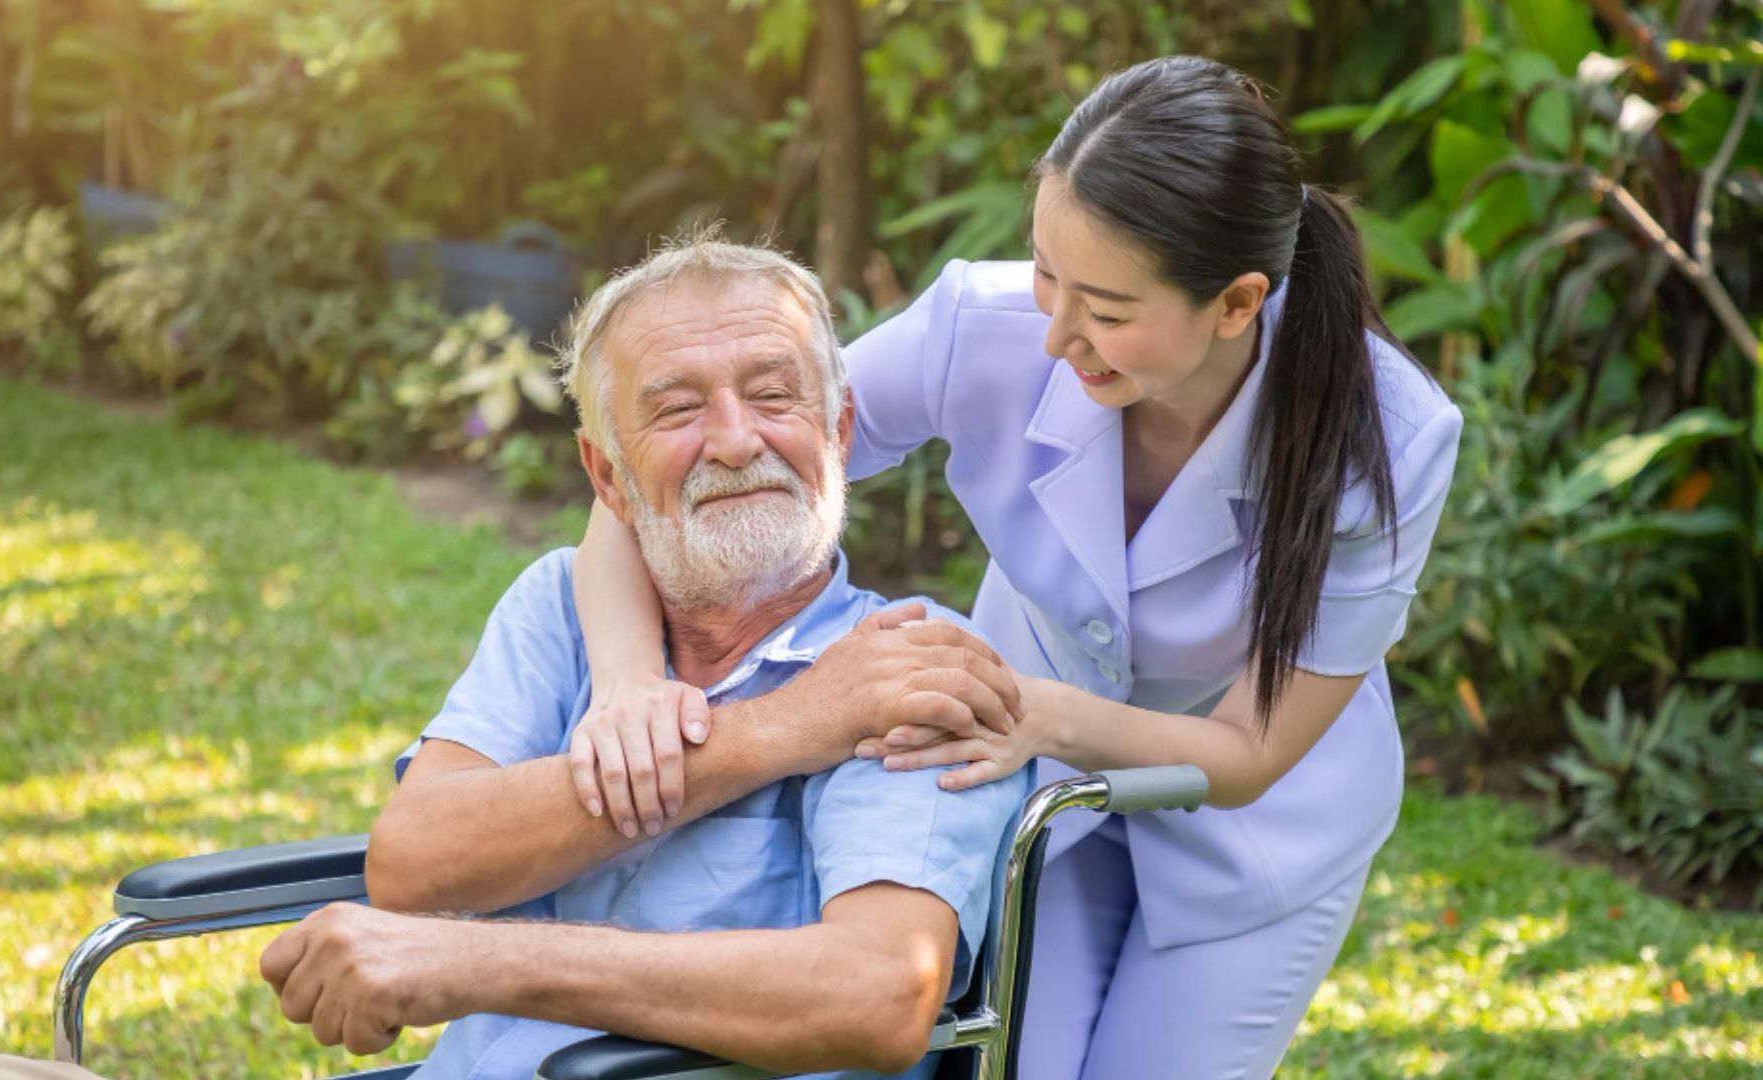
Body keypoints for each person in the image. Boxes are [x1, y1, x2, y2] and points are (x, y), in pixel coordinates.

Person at [568, 56, 1464, 1079]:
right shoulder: (977, 330)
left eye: (1108, 309)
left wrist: (1028, 712)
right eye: (1046, 273)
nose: (1055, 332)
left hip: (1254, 827)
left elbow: (1253, 749)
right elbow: (658, 487)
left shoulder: (1390, 438)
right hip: (1035, 779)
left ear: (1235, 302)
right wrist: (628, 680)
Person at [265, 236, 1031, 1079]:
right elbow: (413, 862)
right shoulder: (559, 608)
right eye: (677, 410)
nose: (737, 442)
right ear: (609, 477)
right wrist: (789, 727)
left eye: (774, 395)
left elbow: (880, 996)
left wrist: (474, 962)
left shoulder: (905, 665)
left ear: (841, 431)